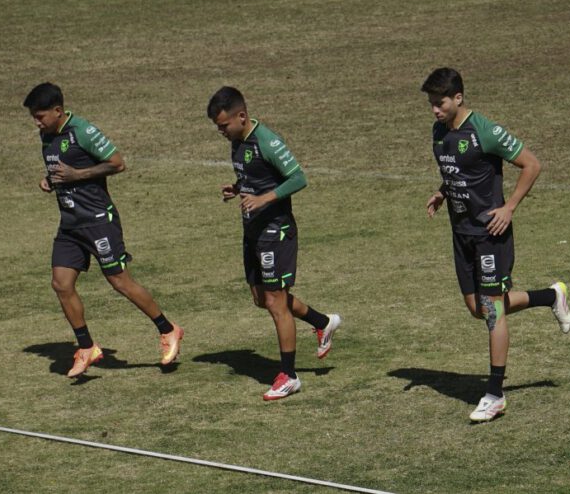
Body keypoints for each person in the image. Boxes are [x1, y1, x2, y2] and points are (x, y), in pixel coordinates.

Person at [421, 67, 570, 423]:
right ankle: (551, 296)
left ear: (458, 98)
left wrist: (509, 207)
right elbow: (459, 171)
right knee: (478, 308)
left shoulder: (485, 131)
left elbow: (531, 165)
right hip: (461, 232)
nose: (434, 110)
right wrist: (443, 192)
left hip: (491, 233)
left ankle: (494, 394)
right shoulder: (439, 131)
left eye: (439, 103)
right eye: (430, 103)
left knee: (492, 312)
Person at [25, 82, 183, 378]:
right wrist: (50, 180)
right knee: (61, 284)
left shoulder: (83, 131)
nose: (37, 121)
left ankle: (168, 329)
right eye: (34, 116)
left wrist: (77, 175)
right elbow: (61, 170)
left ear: (58, 111)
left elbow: (117, 163)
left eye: (41, 115)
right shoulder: (46, 136)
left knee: (120, 282)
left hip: (98, 220)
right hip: (70, 224)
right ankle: (87, 347)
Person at [207, 86, 341, 401]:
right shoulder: (239, 143)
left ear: (242, 116)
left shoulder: (267, 141)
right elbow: (257, 176)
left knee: (275, 303)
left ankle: (289, 376)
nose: (222, 132)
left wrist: (263, 198)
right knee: (261, 298)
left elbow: (298, 178)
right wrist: (238, 187)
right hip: (252, 231)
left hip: (275, 231)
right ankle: (323, 322)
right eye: (218, 128)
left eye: (224, 126)